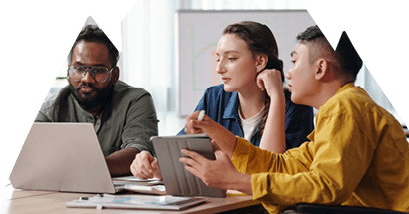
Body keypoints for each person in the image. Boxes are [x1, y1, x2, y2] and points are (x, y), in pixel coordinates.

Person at [179, 26, 409, 214]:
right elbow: (283, 165)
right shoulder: (338, 109)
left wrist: (233, 180)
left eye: (294, 62)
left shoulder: (345, 108)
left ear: (321, 68)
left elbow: (327, 187)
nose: (288, 73)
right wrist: (217, 133)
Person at [130, 21, 314, 180]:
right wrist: (155, 165)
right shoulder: (214, 97)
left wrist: (276, 97)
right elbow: (182, 155)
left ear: (260, 62)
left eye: (231, 58)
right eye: (218, 59)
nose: (219, 69)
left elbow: (271, 171)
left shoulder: (295, 105)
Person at [35, 25, 159, 177]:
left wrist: (84, 170)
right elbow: (30, 155)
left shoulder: (136, 101)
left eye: (98, 70)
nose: (87, 79)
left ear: (114, 75)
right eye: (79, 69)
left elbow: (139, 152)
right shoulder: (50, 109)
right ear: (68, 73)